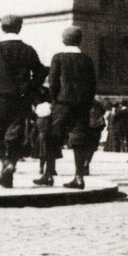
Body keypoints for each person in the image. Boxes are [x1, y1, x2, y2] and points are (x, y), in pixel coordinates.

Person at [0, 14, 47, 188]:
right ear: (19, 28)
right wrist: (30, 86)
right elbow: (40, 71)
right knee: (14, 135)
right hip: (21, 99)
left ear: (2, 28)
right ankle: (9, 170)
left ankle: (6, 163)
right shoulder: (28, 49)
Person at [38, 26, 97, 189]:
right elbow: (92, 84)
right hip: (82, 105)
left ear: (64, 40)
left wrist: (54, 100)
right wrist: (87, 102)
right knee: (78, 139)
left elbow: (53, 82)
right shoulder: (87, 59)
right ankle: (79, 177)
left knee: (52, 136)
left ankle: (49, 174)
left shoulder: (58, 57)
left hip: (62, 104)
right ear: (80, 40)